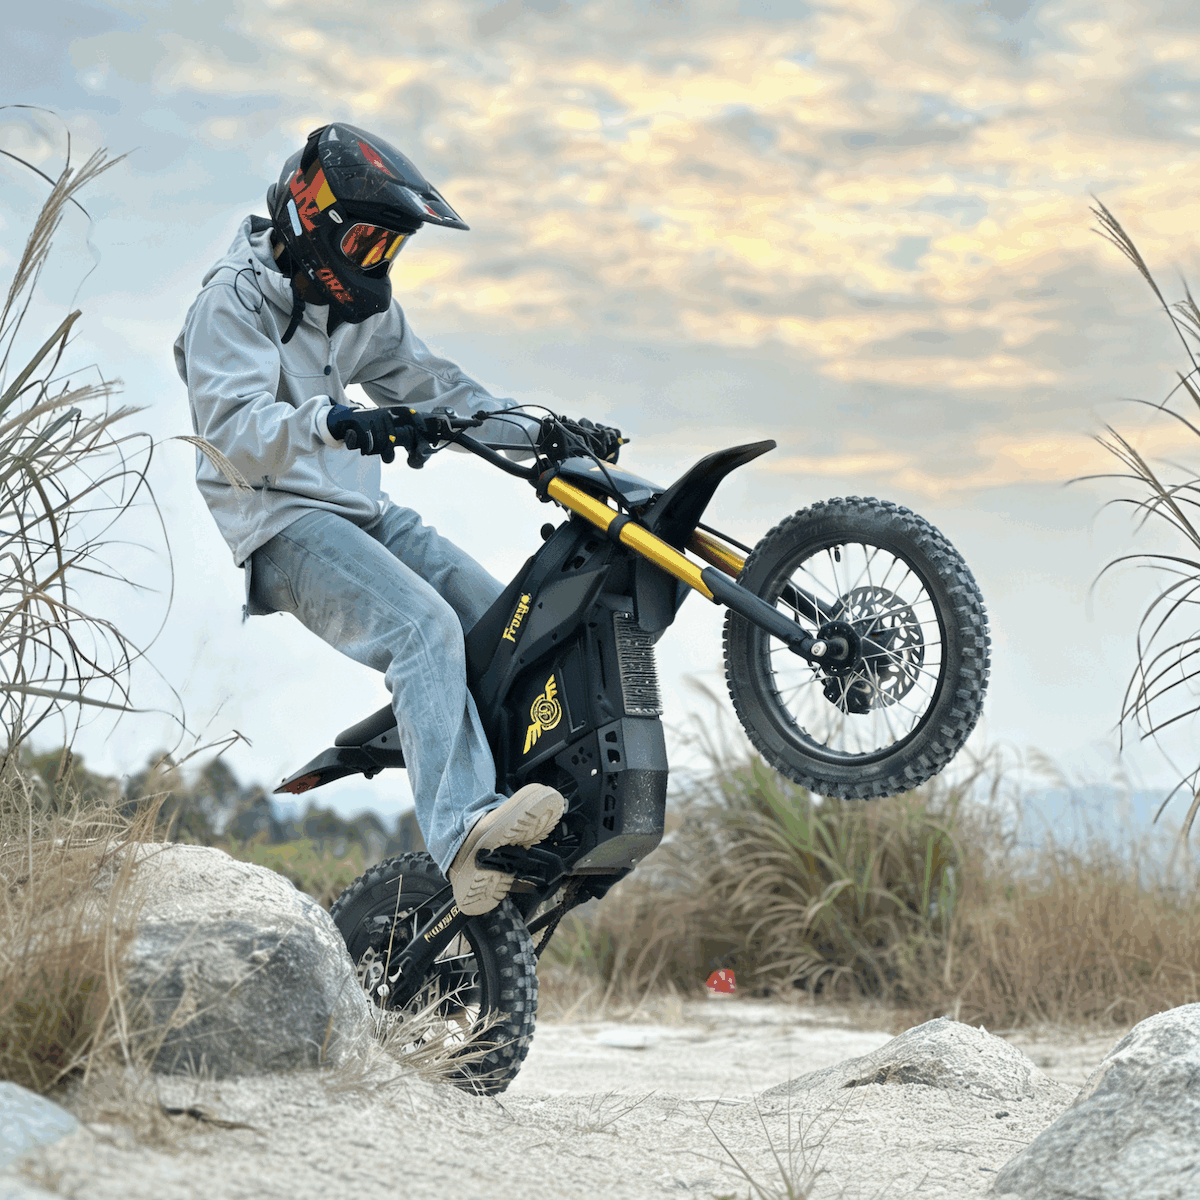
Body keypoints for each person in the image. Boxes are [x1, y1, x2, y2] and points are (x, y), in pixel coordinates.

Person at [174, 122, 621, 915]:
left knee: (508, 623)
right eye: (370, 244)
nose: (377, 265)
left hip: (364, 511)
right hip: (281, 528)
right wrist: (337, 421)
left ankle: (531, 812)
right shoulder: (231, 302)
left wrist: (548, 432)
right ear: (318, 222)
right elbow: (233, 433)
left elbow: (439, 387)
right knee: (422, 629)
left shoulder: (358, 314)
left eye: (390, 250)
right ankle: (465, 831)